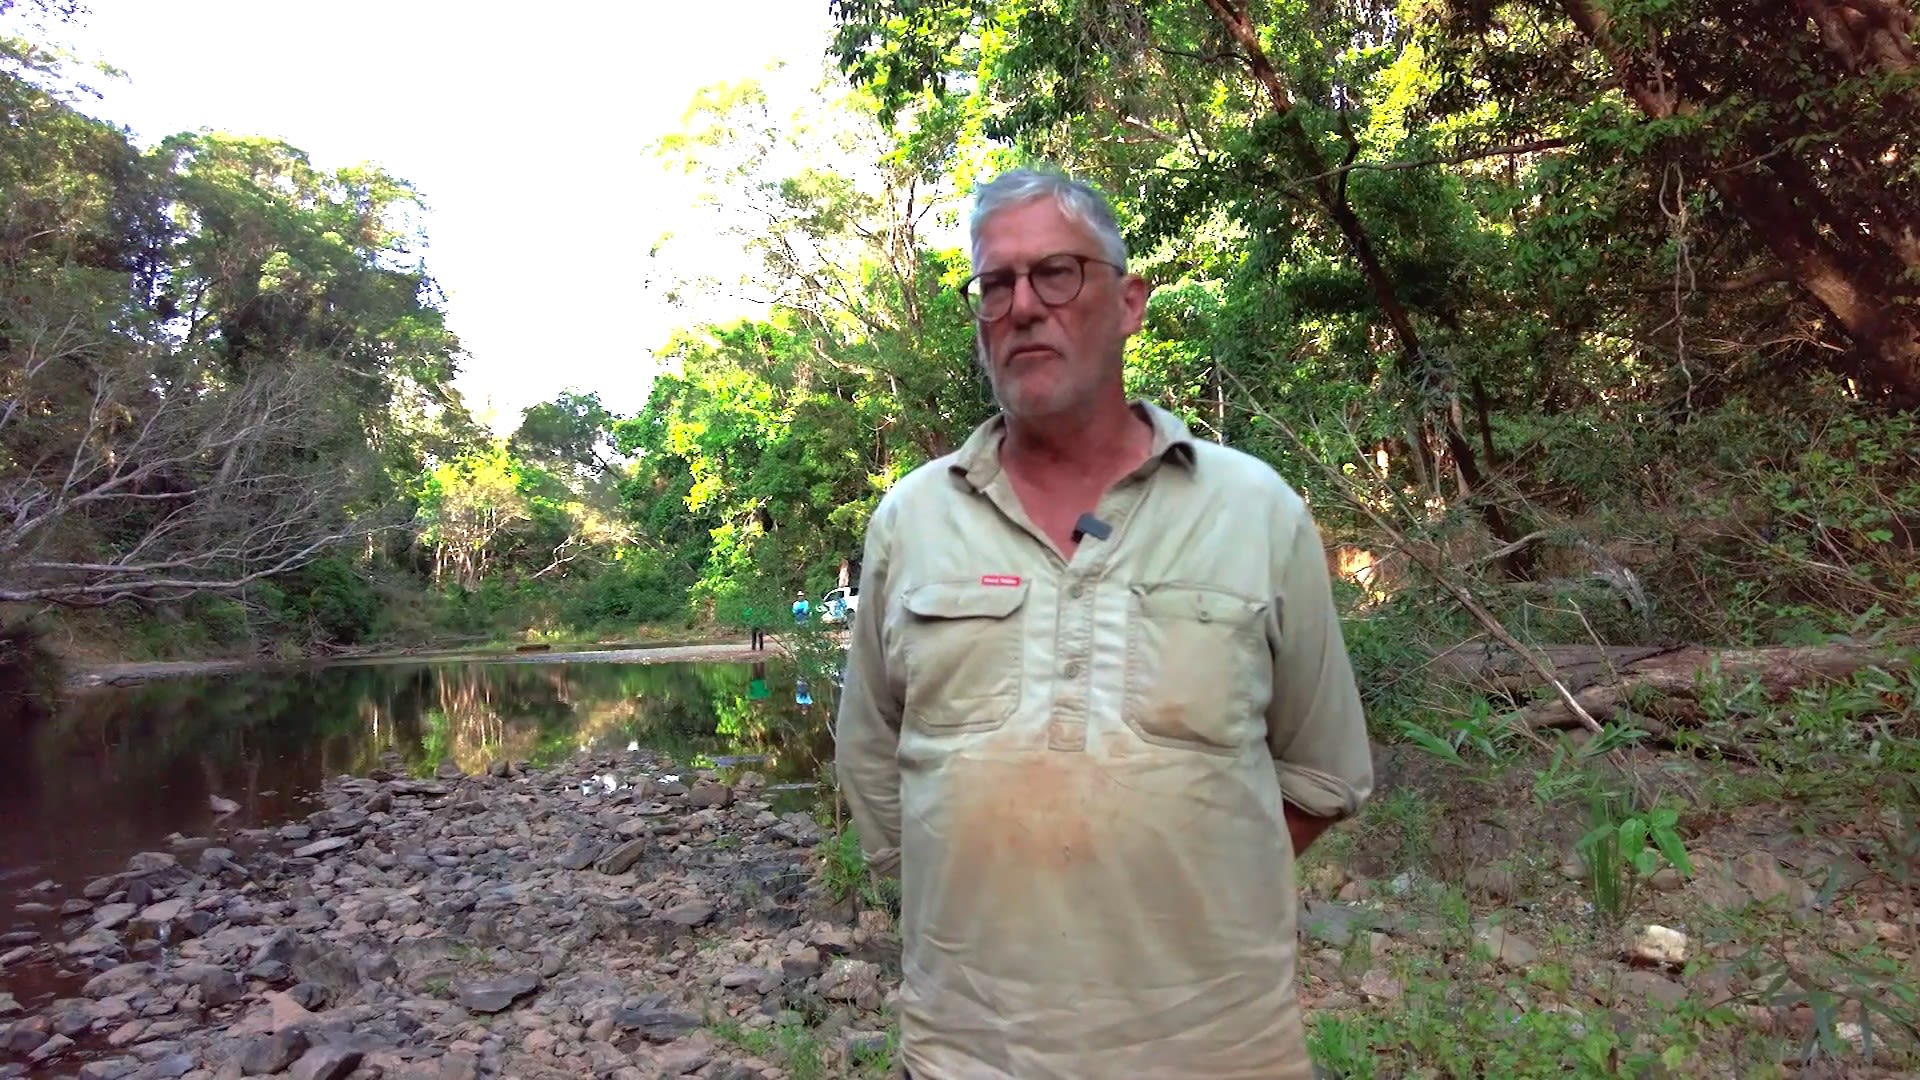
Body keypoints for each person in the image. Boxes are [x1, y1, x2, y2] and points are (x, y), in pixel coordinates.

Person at [834, 166, 1375, 1080]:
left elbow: (1321, 771)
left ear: (1128, 302)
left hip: (1220, 1051)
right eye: (994, 284)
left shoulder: (1255, 511)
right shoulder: (912, 521)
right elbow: (872, 758)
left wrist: (1189, 878)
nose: (1023, 306)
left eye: (1056, 273)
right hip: (972, 1053)